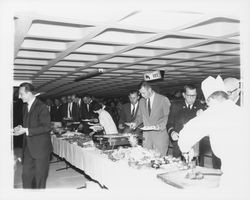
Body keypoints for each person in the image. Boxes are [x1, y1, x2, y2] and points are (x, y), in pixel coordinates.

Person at [178, 75, 248, 189]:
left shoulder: (212, 113)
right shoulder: (241, 111)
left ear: (209, 100)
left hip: (234, 171)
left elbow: (185, 136)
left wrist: (186, 151)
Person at [13, 82, 53, 189]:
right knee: (26, 176)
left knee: (39, 180)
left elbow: (46, 127)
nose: (19, 97)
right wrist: (20, 127)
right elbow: (29, 125)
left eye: (21, 94)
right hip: (28, 148)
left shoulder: (42, 107)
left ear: (29, 93)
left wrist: (26, 130)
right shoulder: (25, 107)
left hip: (40, 149)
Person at [130, 81, 171, 156]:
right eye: (140, 93)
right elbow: (140, 116)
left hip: (160, 136)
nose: (142, 95)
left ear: (149, 90)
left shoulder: (163, 99)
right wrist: (135, 123)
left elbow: (168, 116)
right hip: (147, 137)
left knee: (160, 161)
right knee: (146, 160)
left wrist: (159, 126)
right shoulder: (142, 101)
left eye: (143, 93)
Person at [167, 84, 205, 159]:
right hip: (178, 142)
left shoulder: (200, 106)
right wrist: (172, 132)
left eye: (194, 96)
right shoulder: (175, 106)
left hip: (194, 143)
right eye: (189, 96)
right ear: (184, 95)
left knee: (194, 167)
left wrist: (202, 117)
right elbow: (169, 123)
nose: (191, 98)